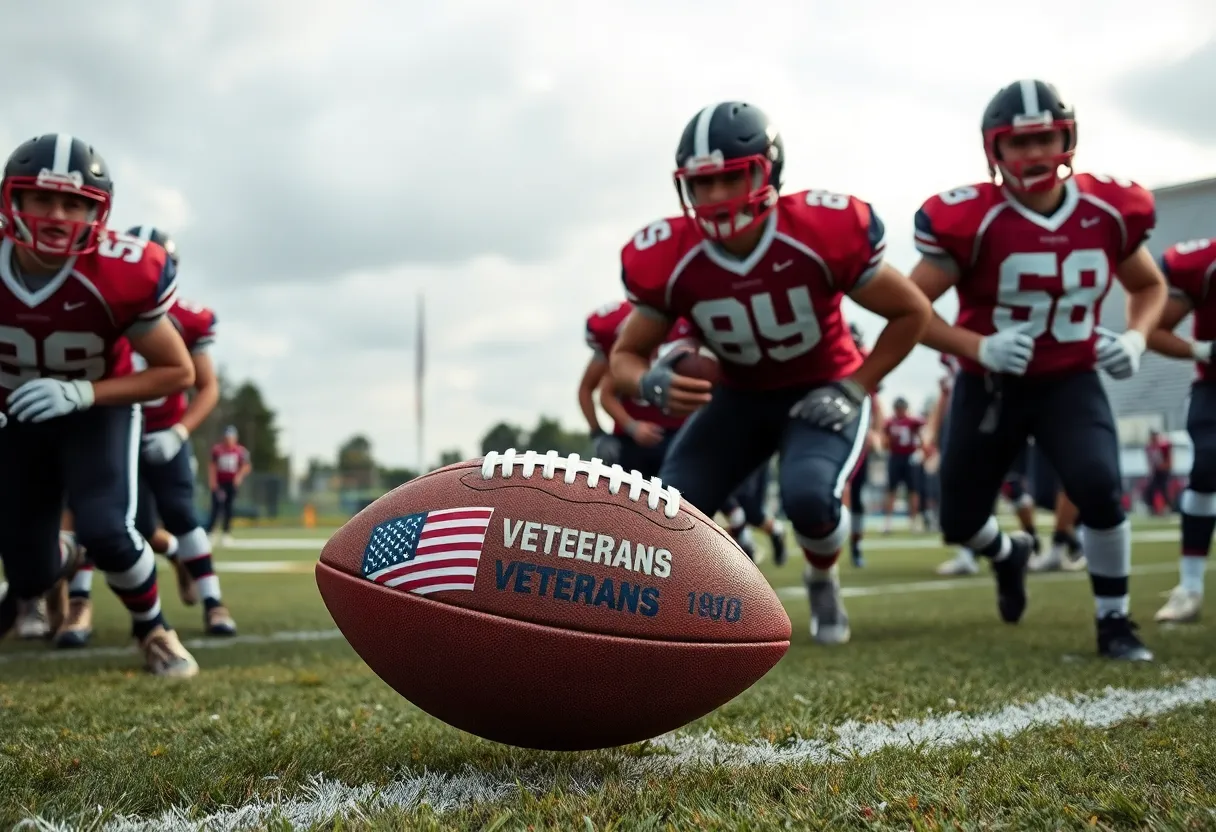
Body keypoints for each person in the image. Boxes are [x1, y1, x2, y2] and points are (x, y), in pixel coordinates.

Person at [610, 101, 931, 645]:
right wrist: (648, 383)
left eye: (731, 178)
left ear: (767, 172)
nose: (716, 197)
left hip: (821, 388)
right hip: (739, 397)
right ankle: (663, 622)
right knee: (668, 510)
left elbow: (913, 311)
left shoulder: (821, 230)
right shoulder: (671, 255)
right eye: (703, 183)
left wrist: (856, 387)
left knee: (808, 498)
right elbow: (624, 358)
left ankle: (822, 576)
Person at [908, 79, 1166, 660]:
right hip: (991, 384)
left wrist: (1136, 334)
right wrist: (978, 347)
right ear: (993, 151)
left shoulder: (1108, 211)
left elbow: (1149, 286)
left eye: (1044, 138)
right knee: (959, 520)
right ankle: (1009, 554)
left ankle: (1115, 620)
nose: (1033, 154)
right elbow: (907, 310)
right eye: (1018, 143)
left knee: (1099, 485)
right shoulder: (970, 218)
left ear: (1067, 139)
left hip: (1070, 380)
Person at [0, 133, 198, 676]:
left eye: (75, 203)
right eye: (42, 198)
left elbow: (176, 371)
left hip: (96, 409)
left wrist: (82, 391)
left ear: (99, 211)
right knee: (28, 568)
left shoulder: (121, 271)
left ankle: (153, 628)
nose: (58, 215)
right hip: (15, 418)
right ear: (12, 200)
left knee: (107, 528)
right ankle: (43, 573)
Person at [56, 228, 236, 644]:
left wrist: (179, 431)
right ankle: (81, 603)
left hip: (160, 430)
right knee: (99, 515)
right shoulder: (99, 304)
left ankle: (213, 602)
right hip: (111, 426)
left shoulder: (189, 318)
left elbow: (205, 385)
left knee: (181, 513)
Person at [1146, 235, 1216, 623]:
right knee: (1207, 464)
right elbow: (1154, 330)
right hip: (1213, 385)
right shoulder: (1203, 264)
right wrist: (1205, 349)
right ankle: (1190, 587)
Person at [583, 299, 690, 477]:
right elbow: (602, 392)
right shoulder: (629, 349)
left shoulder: (686, 333)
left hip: (680, 434)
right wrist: (630, 427)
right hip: (635, 441)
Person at [881, 396, 924, 533]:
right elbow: (885, 443)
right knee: (891, 490)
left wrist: (922, 450)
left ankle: (913, 521)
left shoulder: (913, 422)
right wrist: (889, 441)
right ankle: (888, 522)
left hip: (909, 458)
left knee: (913, 490)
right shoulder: (889, 423)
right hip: (895, 457)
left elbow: (922, 435)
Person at [207, 425, 251, 546]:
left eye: (231, 437)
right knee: (216, 507)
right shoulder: (217, 450)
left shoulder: (240, 451)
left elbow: (246, 466)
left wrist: (239, 477)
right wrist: (213, 482)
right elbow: (212, 466)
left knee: (229, 508)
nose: (228, 440)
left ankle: (226, 533)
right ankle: (211, 532)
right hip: (219, 483)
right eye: (227, 437)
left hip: (231, 483)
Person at [1142, 429, 1173, 516]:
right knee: (1150, 490)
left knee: (1164, 489)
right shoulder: (1149, 447)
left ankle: (1167, 508)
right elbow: (1149, 460)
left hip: (1163, 471)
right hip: (1155, 471)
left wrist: (1165, 466)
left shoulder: (1164, 446)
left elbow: (1169, 459)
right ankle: (1152, 508)